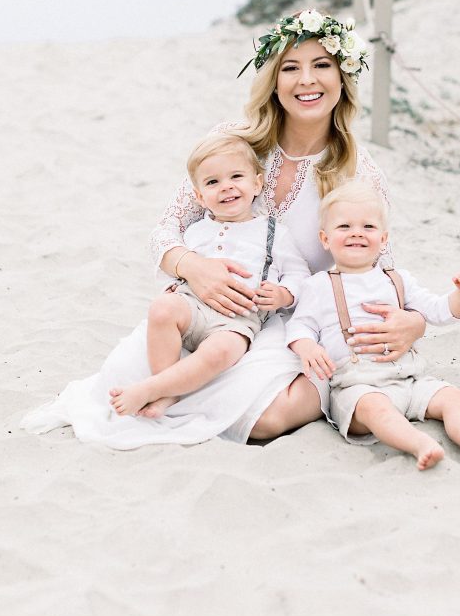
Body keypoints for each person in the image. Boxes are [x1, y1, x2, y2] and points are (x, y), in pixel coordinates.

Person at [21, 8, 426, 448]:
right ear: (273, 80)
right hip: (204, 304)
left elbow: (384, 273)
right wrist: (193, 267)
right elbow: (164, 231)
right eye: (290, 68)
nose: (306, 80)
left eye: (321, 66)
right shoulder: (233, 141)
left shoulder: (358, 172)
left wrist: (414, 324)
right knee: (119, 382)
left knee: (270, 418)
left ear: (343, 78)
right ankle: (166, 388)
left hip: (296, 320)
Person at [286, 180, 460, 469]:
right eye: (344, 227)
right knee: (377, 409)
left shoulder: (397, 279)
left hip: (411, 378)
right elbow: (300, 325)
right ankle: (419, 443)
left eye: (368, 227)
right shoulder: (318, 286)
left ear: (383, 239)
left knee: (451, 396)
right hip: (358, 386)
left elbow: (439, 311)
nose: (357, 233)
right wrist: (307, 346)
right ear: (325, 239)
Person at [108, 132, 310, 418]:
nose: (226, 188)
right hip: (192, 305)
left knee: (221, 353)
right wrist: (174, 286)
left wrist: (283, 294)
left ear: (257, 183)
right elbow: (177, 270)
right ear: (200, 196)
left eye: (236, 177)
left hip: (236, 317)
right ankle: (168, 389)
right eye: (213, 182)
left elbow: (298, 273)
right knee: (162, 309)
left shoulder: (273, 233)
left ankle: (154, 389)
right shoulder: (195, 231)